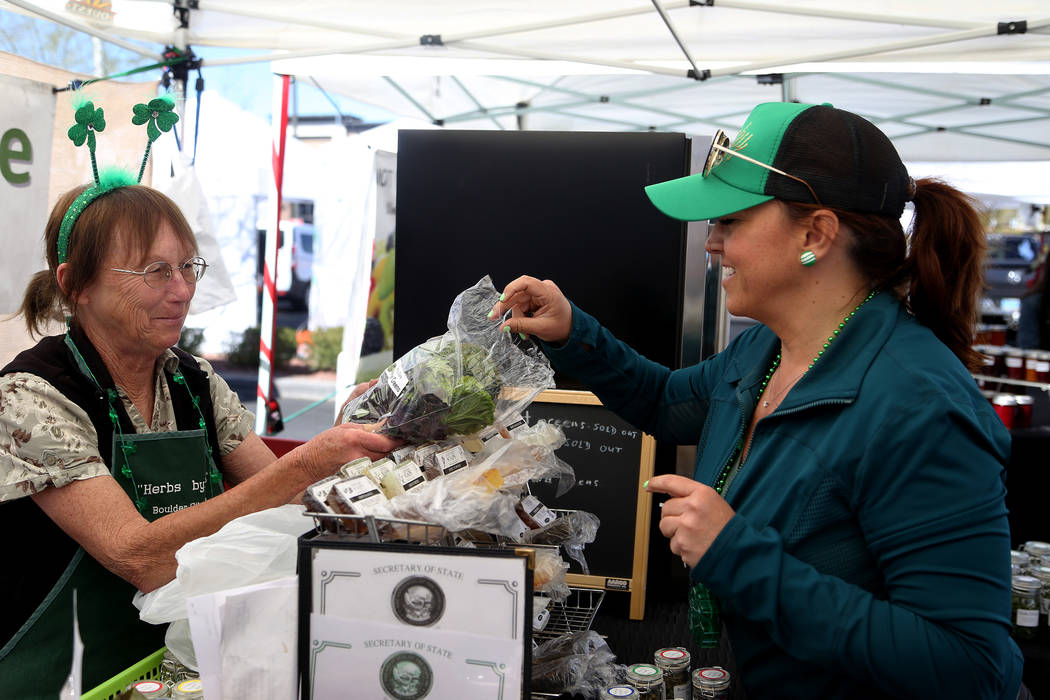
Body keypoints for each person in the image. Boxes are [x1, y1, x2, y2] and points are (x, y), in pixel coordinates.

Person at [491, 102, 1025, 698]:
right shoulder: (766, 350)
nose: (711, 245)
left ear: (815, 234)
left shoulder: (921, 408)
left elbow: (971, 668)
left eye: (730, 221)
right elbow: (666, 401)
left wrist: (735, 554)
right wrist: (573, 333)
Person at [0, 180, 397, 696]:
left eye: (188, 266)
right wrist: (306, 462)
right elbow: (140, 557)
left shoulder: (193, 381)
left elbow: (295, 499)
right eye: (154, 271)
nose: (183, 289)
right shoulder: (31, 397)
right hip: (62, 675)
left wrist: (346, 440)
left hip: (176, 669)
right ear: (76, 283)